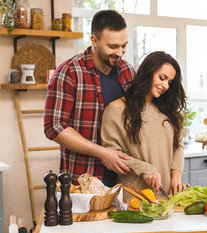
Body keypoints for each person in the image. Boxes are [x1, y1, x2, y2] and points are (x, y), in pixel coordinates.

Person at [44, 10, 135, 187]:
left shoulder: (128, 71)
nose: (120, 53)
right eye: (113, 46)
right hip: (83, 179)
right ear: (94, 40)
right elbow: (53, 126)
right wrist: (102, 152)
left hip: (124, 178)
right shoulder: (68, 72)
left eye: (123, 46)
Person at [101, 51, 189, 195]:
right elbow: (113, 154)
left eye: (170, 82)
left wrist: (176, 179)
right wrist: (146, 169)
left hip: (167, 196)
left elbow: (178, 146)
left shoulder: (168, 111)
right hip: (135, 197)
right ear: (148, 72)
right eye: (162, 78)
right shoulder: (115, 110)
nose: (165, 85)